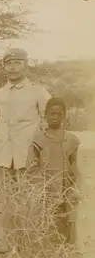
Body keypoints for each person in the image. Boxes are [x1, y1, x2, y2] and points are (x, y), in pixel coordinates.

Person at [0, 48, 51, 253]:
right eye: (8, 63)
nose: (12, 67)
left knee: (29, 196)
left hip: (27, 154)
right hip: (3, 154)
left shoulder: (38, 91)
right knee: (6, 198)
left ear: (25, 65)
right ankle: (8, 239)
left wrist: (36, 141)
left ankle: (28, 237)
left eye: (17, 63)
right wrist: (1, 134)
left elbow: (49, 117)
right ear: (4, 67)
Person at [26, 97, 82, 248]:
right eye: (52, 113)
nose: (55, 117)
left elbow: (75, 164)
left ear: (64, 116)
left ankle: (66, 248)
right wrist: (40, 185)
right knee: (46, 217)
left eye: (59, 114)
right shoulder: (39, 139)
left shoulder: (71, 140)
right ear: (45, 115)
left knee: (67, 214)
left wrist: (75, 184)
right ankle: (45, 247)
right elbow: (31, 166)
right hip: (45, 186)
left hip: (65, 186)